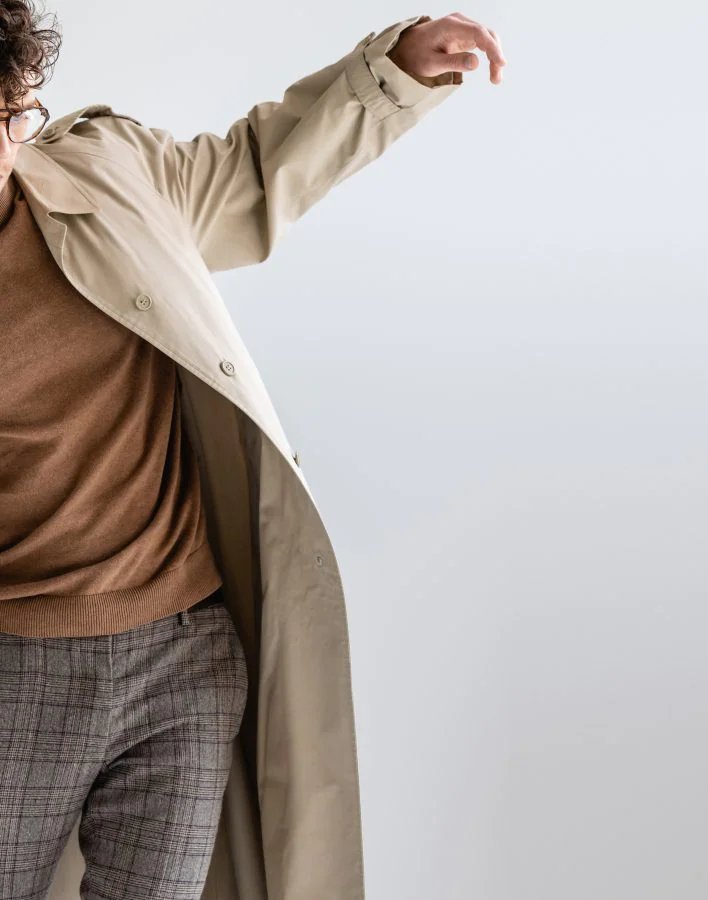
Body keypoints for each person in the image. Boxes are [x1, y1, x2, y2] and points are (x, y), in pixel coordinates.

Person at [0, 5, 507, 898]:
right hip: (17, 666)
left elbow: (251, 171)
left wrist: (391, 75)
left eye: (12, 114)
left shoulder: (108, 174)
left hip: (186, 652)